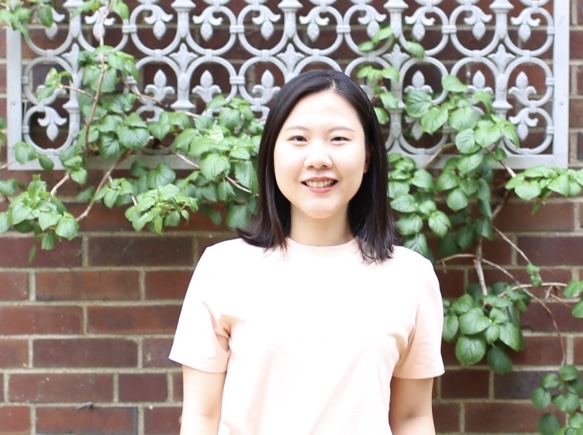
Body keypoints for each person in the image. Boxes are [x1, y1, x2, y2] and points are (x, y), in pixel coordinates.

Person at [169, 69, 444, 434]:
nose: (318, 158)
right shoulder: (222, 268)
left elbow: (412, 416)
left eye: (339, 139)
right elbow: (201, 417)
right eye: (298, 138)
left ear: (367, 156)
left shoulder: (410, 276)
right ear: (272, 153)